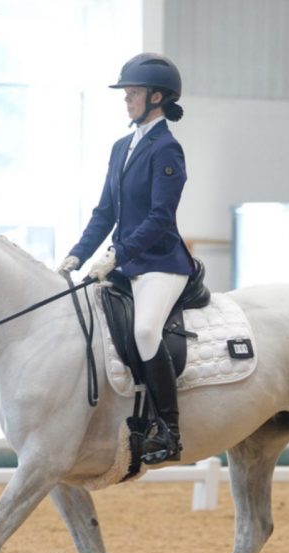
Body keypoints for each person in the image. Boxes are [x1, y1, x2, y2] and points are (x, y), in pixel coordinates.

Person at [60, 53, 191, 465]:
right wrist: (77, 255)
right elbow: (105, 212)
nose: (126, 100)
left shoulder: (167, 149)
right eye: (127, 94)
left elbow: (159, 217)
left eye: (132, 93)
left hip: (160, 263)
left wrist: (117, 254)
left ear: (156, 97)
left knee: (146, 332)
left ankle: (168, 430)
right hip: (124, 262)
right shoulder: (121, 147)